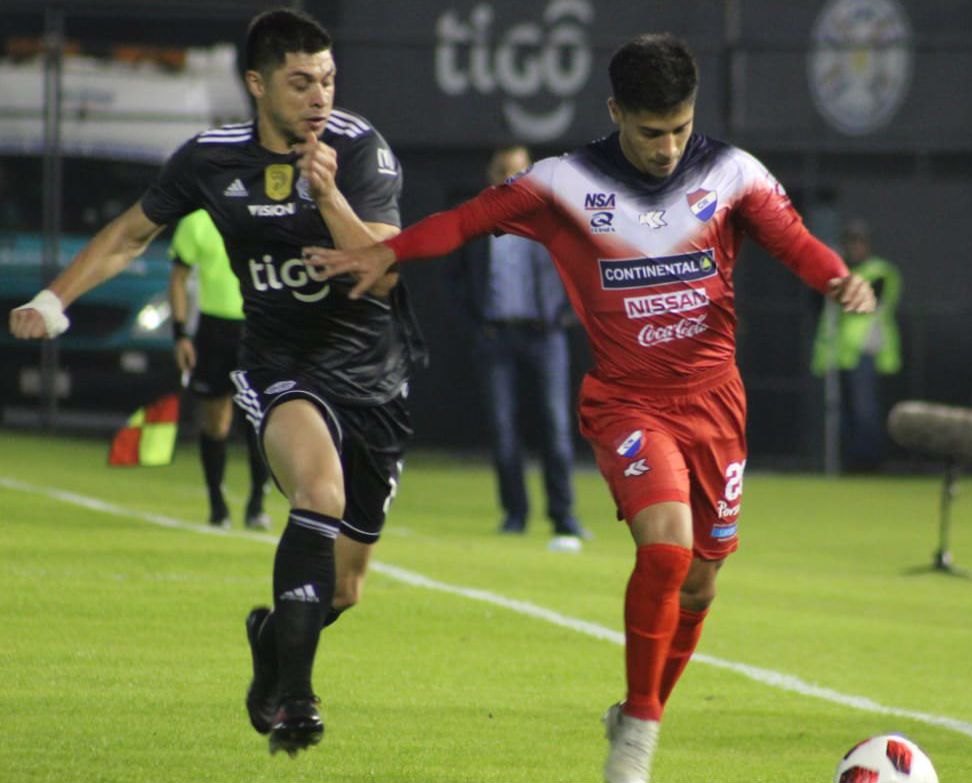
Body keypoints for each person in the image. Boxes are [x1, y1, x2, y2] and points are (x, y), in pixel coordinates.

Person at [304, 33, 875, 783]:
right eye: (650, 131)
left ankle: (638, 708)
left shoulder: (732, 173)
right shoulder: (564, 184)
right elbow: (466, 221)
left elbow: (793, 240)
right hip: (629, 403)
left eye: (679, 128)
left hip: (715, 404)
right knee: (666, 550)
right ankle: (638, 734)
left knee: (702, 580)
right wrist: (389, 251)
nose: (667, 148)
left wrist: (835, 278)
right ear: (615, 112)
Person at [10, 8, 418, 757]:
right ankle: (295, 699)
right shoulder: (210, 157)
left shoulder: (360, 149)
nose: (320, 97)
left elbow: (386, 269)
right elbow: (130, 234)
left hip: (373, 377)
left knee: (345, 587)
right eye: (301, 83)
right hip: (280, 366)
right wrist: (52, 301)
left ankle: (272, 643)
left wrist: (329, 196)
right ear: (257, 84)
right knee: (317, 494)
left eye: (328, 80)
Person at [456, 144, 590, 548]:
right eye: (504, 170)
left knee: (556, 426)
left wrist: (566, 314)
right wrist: (476, 326)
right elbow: (455, 279)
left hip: (545, 335)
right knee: (503, 429)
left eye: (519, 170)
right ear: (490, 174)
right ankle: (515, 514)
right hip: (496, 336)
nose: (511, 178)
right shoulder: (475, 221)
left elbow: (583, 267)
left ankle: (564, 516)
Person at [168, 209, 270, 529]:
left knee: (262, 420)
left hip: (258, 327)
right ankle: (217, 504)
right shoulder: (197, 220)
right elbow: (178, 278)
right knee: (215, 420)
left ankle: (257, 504)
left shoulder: (265, 212)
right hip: (214, 329)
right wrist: (181, 334)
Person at [811, 218, 902, 471]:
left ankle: (870, 465)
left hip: (867, 353)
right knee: (841, 415)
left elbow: (860, 299)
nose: (854, 247)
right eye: (850, 242)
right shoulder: (839, 272)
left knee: (866, 413)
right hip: (838, 355)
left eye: (859, 242)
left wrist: (833, 270)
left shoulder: (880, 272)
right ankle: (848, 465)